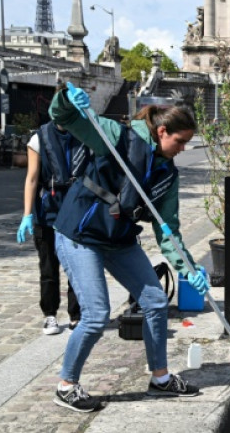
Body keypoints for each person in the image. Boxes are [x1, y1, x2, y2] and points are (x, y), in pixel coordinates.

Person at [47, 84, 209, 412]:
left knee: (154, 300)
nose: (182, 148)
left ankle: (160, 378)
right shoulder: (116, 137)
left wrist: (188, 270)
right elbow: (62, 117)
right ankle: (66, 385)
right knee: (95, 314)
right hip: (80, 233)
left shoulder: (167, 174)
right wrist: (65, 98)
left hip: (119, 240)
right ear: (162, 131)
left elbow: (169, 232)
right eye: (180, 141)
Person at [16, 119, 88, 335]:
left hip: (76, 209)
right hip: (47, 210)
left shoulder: (85, 135)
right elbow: (32, 178)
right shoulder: (39, 138)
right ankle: (50, 315)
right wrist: (27, 214)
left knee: (76, 266)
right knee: (48, 267)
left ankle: (76, 315)